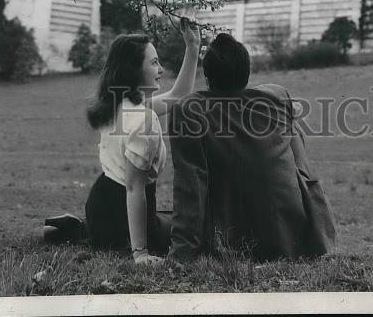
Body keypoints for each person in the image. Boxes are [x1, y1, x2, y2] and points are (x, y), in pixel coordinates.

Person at [167, 32, 336, 262]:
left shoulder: (189, 110)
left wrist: (181, 255)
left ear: (207, 77)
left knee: (160, 224)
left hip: (232, 242)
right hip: (291, 236)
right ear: (247, 71)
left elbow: (190, 188)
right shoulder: (278, 97)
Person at [46, 19, 201, 266]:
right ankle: (88, 232)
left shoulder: (119, 104)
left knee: (170, 219)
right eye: (153, 63)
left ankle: (79, 229)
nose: (160, 69)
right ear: (134, 70)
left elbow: (178, 96)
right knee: (187, 230)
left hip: (100, 205)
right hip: (123, 214)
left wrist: (192, 48)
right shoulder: (143, 119)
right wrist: (140, 252)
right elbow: (134, 190)